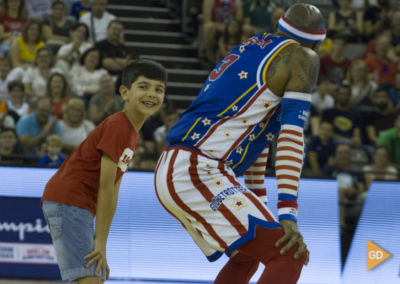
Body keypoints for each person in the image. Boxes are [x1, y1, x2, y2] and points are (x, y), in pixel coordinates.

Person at [154, 3, 325, 283]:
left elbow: (259, 140)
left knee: (250, 254)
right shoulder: (302, 57)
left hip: (180, 166)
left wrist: (263, 205)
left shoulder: (253, 47)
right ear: (317, 44)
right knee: (289, 253)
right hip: (200, 168)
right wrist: (288, 213)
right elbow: (291, 137)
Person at [41, 59, 167, 283]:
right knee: (90, 278)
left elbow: (114, 189)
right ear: (125, 92)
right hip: (70, 200)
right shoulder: (118, 126)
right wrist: (99, 243)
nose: (151, 94)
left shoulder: (131, 133)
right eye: (143, 86)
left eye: (159, 89)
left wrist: (102, 242)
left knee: (92, 277)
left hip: (73, 203)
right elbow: (106, 187)